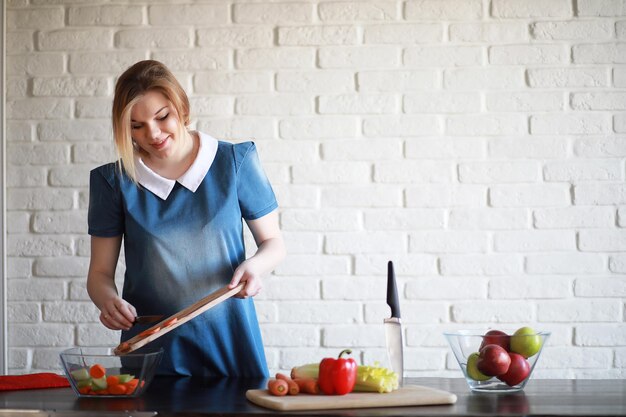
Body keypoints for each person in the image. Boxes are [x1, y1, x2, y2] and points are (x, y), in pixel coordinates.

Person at [86, 60, 285, 377]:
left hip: (231, 338)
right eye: (136, 126)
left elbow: (274, 244)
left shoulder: (235, 161)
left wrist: (255, 266)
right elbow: (99, 273)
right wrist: (108, 301)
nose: (152, 133)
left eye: (161, 116)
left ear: (180, 105)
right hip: (151, 351)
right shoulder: (113, 183)